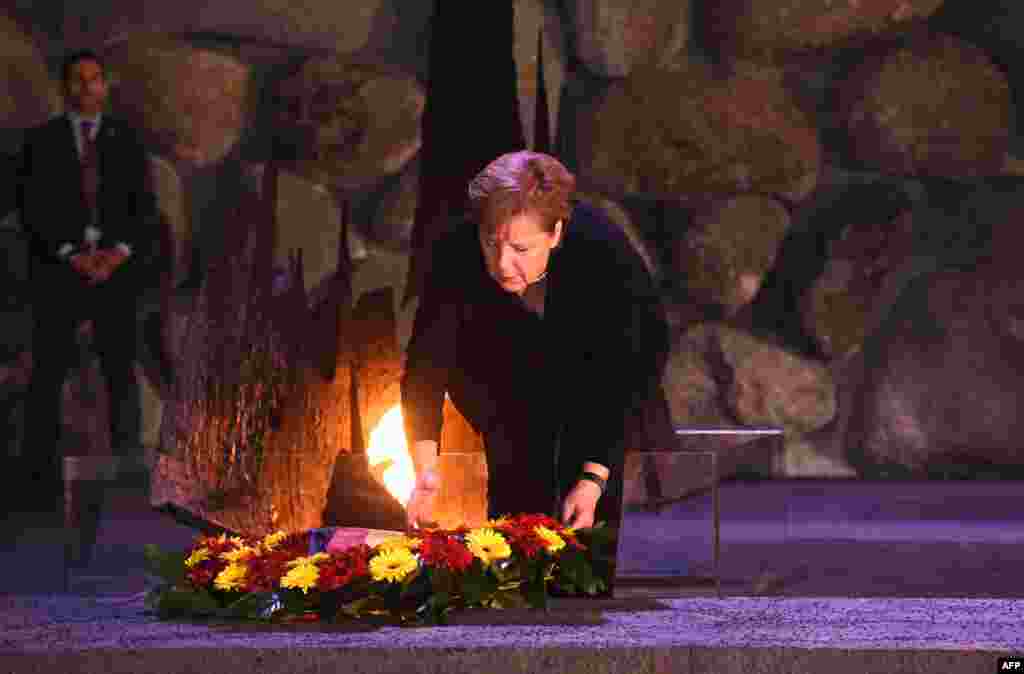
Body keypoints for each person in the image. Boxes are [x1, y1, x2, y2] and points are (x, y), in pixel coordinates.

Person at [401, 151, 669, 530]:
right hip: (504, 388)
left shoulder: (601, 250)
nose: (502, 264)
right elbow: (424, 370)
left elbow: (623, 375)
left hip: (600, 385)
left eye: (521, 249)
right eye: (492, 244)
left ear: (555, 233)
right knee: (513, 540)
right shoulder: (455, 250)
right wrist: (425, 475)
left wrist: (592, 481)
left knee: (585, 544)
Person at [18, 49, 159, 516]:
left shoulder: (128, 141)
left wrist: (117, 253)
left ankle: (128, 480)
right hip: (60, 271)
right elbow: (32, 208)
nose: (86, 88)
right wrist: (72, 254)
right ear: (65, 87)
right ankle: (37, 485)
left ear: (106, 85)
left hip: (116, 273)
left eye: (94, 79)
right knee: (48, 374)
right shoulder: (41, 142)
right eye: (77, 80)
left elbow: (144, 209)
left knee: (121, 371)